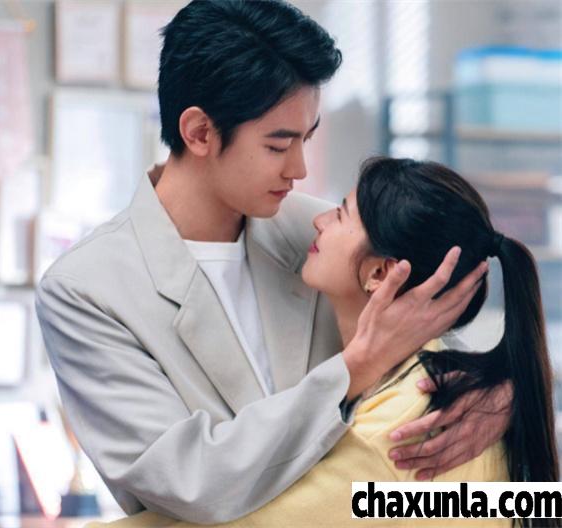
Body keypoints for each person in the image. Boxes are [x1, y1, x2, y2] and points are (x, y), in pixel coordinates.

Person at [35, 1, 508, 524]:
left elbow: (427, 344)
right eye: (278, 145)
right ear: (199, 132)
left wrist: (502, 393)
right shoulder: (86, 290)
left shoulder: (324, 235)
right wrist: (354, 369)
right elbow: (191, 482)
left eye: (306, 138)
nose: (299, 168)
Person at [86, 157, 558, 528]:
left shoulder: (393, 436)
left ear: (380, 273)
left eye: (340, 214)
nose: (317, 221)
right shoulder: (462, 392)